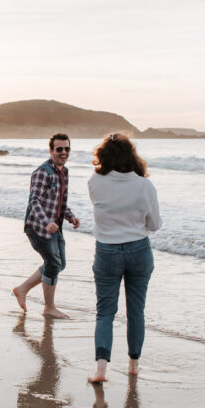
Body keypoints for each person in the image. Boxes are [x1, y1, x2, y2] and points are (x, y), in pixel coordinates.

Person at [87, 133, 162, 382]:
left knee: (105, 312)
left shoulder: (94, 182)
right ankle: (133, 365)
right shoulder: (144, 185)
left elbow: (102, 211)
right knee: (136, 311)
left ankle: (100, 369)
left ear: (104, 155)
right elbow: (155, 225)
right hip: (138, 249)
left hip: (106, 250)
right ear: (132, 155)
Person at [13, 133, 80, 319]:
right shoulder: (43, 172)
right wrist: (46, 222)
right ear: (51, 151)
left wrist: (71, 217)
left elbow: (60, 203)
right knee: (53, 263)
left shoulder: (64, 172)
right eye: (59, 149)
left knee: (60, 264)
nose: (64, 152)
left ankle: (22, 288)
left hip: (54, 227)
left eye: (67, 149)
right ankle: (49, 308)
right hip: (38, 227)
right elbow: (34, 202)